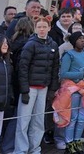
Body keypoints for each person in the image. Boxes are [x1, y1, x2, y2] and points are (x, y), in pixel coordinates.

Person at [15, 16, 60, 154]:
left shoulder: (53, 45)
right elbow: (22, 68)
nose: (42, 29)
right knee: (23, 121)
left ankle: (34, 148)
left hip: (44, 88)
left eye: (44, 27)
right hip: (30, 88)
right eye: (39, 27)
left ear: (49, 28)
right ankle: (21, 150)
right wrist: (24, 90)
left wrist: (52, 89)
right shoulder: (30, 44)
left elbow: (54, 68)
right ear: (35, 29)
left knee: (38, 121)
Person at [55, 32, 84, 154]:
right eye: (79, 39)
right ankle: (69, 144)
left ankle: (77, 142)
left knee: (82, 117)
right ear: (74, 42)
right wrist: (82, 74)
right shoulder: (69, 55)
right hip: (72, 89)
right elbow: (63, 73)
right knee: (73, 117)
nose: (82, 41)